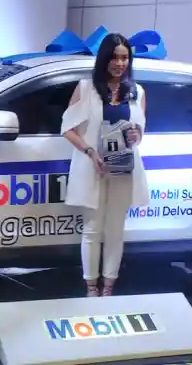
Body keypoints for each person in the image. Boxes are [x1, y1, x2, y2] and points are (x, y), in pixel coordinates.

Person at [61, 33, 149, 297]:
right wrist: (89, 151)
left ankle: (109, 287)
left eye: (125, 58)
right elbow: (67, 129)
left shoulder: (137, 92)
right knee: (92, 229)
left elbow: (140, 130)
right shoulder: (86, 88)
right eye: (114, 57)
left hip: (123, 168)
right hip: (94, 167)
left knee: (115, 230)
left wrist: (136, 135)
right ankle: (91, 288)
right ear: (104, 59)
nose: (120, 63)